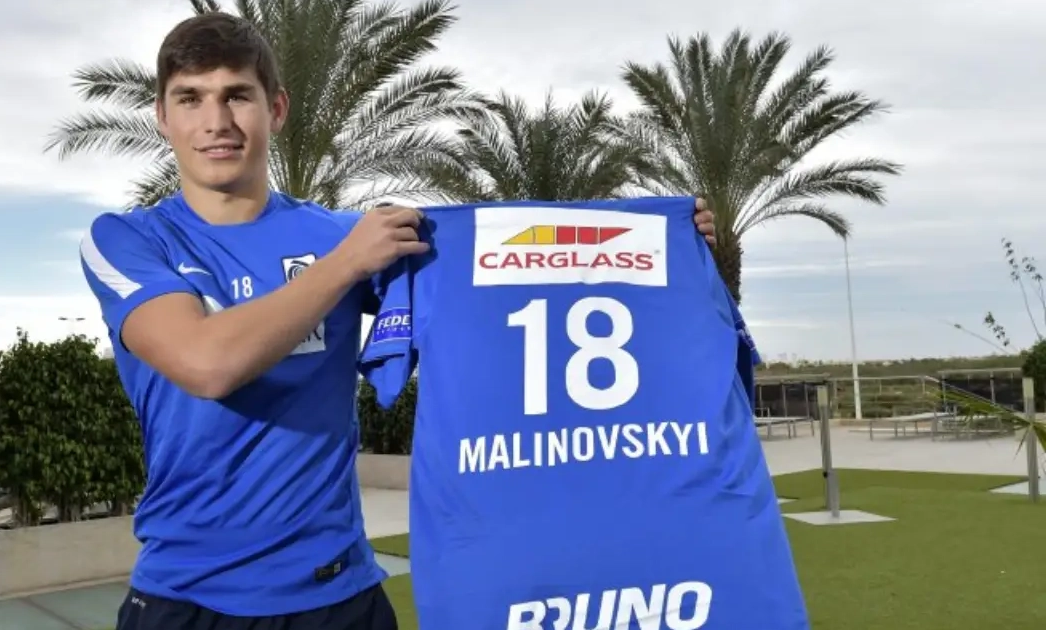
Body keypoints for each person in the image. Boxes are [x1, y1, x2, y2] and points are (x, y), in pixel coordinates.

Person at [79, 11, 718, 630]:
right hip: (187, 597)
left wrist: (657, 245)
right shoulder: (127, 241)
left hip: (337, 595)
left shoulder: (346, 235)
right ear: (162, 116)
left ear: (276, 108)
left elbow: (504, 280)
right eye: (190, 98)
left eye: (236, 96)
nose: (216, 122)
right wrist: (343, 266)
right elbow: (206, 363)